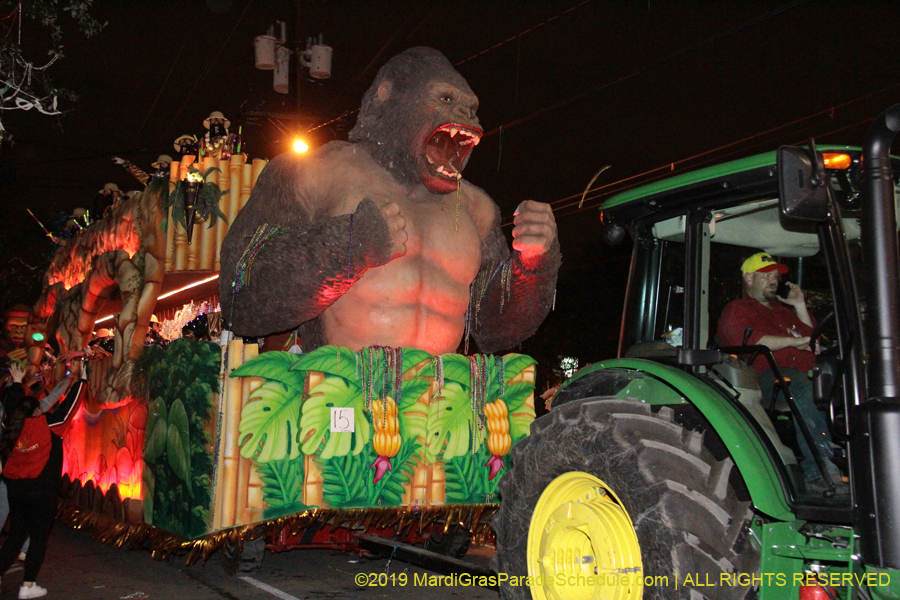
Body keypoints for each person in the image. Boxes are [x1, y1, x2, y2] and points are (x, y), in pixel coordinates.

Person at [716, 252, 838, 483]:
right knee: (801, 385)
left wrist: (800, 305)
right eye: (767, 275)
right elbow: (752, 342)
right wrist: (793, 342)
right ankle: (821, 471)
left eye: (776, 275)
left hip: (807, 375)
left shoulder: (784, 312)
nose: (774, 280)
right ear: (749, 278)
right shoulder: (737, 309)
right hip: (764, 378)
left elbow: (814, 340)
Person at [0, 361, 83, 598]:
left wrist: (17, 383)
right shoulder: (50, 426)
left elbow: (10, 407)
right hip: (40, 492)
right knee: (38, 539)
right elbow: (68, 408)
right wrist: (82, 381)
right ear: (38, 410)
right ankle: (27, 586)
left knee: (15, 536)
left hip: (16, 488)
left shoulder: (10, 426)